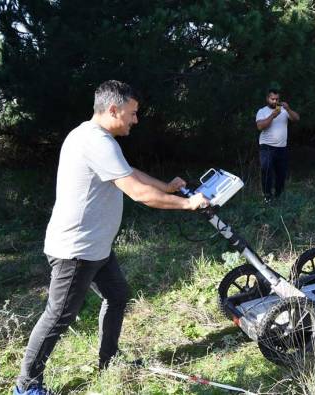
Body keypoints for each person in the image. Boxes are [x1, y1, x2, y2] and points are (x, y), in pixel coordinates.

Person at [13, 80, 208, 395]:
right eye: (132, 113)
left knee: (117, 296)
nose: (136, 119)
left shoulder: (98, 137)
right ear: (114, 109)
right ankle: (26, 386)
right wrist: (187, 202)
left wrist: (166, 186)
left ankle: (110, 358)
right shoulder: (95, 141)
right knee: (58, 316)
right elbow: (137, 192)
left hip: (97, 246)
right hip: (77, 249)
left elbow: (129, 173)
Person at [255, 88, 300, 202]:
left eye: (277, 99)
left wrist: (288, 109)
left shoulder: (284, 110)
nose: (275, 101)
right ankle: (267, 197)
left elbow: (296, 118)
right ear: (267, 98)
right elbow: (260, 127)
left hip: (282, 148)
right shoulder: (262, 111)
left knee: (281, 174)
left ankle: (278, 196)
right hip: (267, 147)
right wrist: (272, 116)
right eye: (272, 99)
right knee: (267, 173)